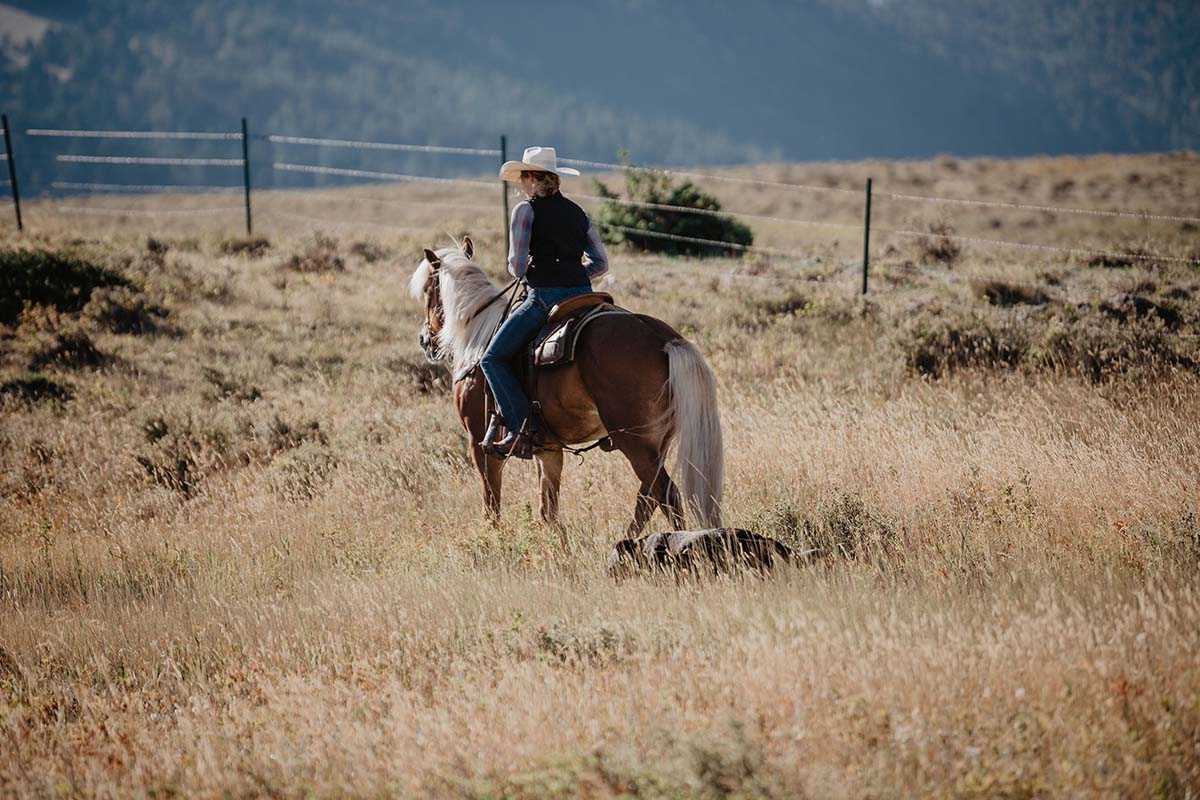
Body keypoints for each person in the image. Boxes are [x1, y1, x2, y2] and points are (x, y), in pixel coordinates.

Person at [480, 146, 609, 459]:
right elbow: (601, 263)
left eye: (523, 177)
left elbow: (518, 267)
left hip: (544, 297)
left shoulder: (525, 211)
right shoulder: (578, 213)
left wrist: (536, 268)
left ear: (530, 178)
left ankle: (520, 428)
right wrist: (577, 272)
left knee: (492, 359)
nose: (521, 184)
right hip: (584, 295)